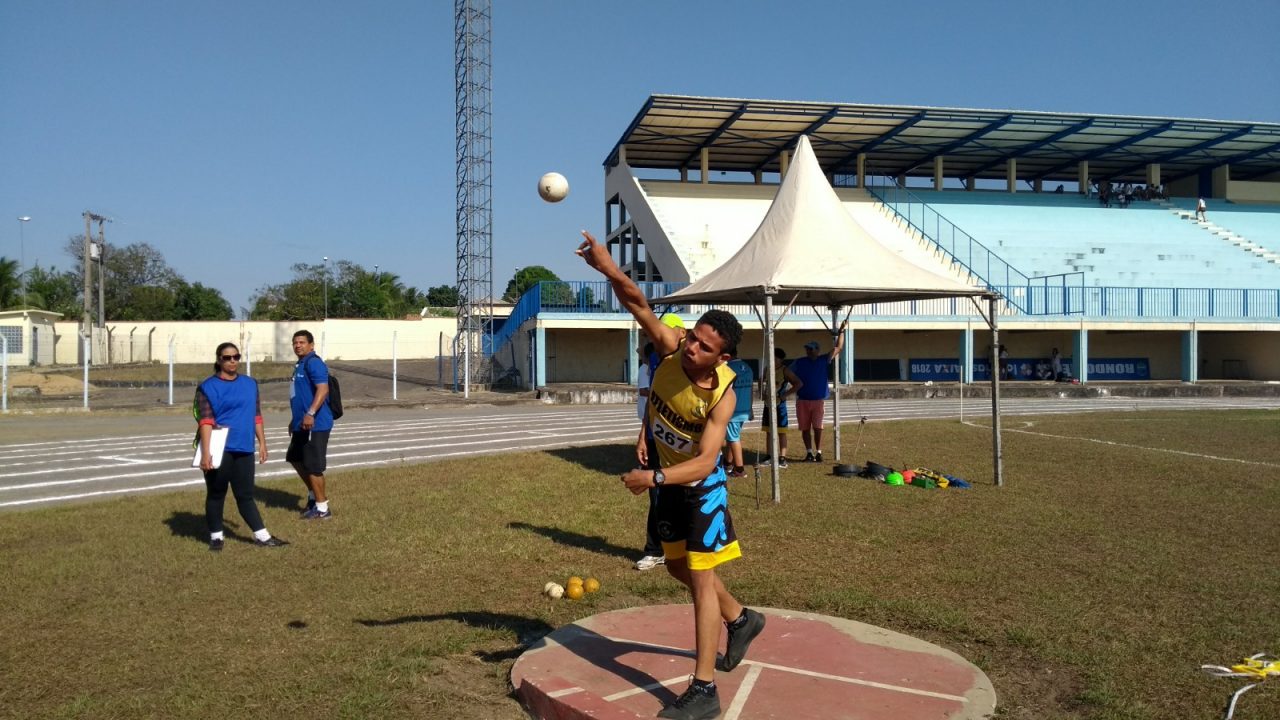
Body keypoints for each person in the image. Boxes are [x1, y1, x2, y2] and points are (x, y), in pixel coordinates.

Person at [577, 230, 765, 720]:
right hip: (665, 478)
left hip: (701, 488)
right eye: (692, 338)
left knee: (700, 577)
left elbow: (706, 462)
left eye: (703, 347)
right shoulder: (670, 348)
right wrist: (608, 268)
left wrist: (654, 479)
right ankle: (741, 618)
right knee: (679, 568)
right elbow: (636, 300)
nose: (690, 349)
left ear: (722, 358)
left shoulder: (722, 395)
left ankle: (703, 690)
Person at [195, 342, 286, 551]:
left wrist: (262, 442)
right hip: (221, 448)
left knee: (245, 495)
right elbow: (206, 422)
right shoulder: (208, 387)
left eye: (235, 356)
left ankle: (262, 536)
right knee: (216, 493)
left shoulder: (250, 383)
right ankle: (216, 537)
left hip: (245, 447)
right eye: (227, 357)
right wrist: (206, 453)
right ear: (219, 360)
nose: (232, 361)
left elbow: (256, 415)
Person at [288, 330, 334, 520]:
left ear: (311, 345)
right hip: (302, 423)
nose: (298, 345)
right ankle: (313, 496)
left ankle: (323, 508)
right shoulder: (300, 364)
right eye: (295, 342)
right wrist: (295, 419)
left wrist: (310, 413)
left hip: (316, 424)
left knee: (313, 466)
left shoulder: (314, 363)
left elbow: (323, 389)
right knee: (295, 457)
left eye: (302, 342)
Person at [788, 326, 846, 463]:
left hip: (818, 401)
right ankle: (809, 452)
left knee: (818, 427)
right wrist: (792, 383)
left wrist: (841, 332)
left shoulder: (823, 360)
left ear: (817, 350)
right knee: (805, 428)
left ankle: (818, 452)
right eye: (807, 349)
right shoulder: (800, 361)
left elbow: (839, 347)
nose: (808, 351)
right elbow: (787, 372)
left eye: (811, 349)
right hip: (802, 400)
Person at [634, 340, 665, 572]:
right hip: (656, 440)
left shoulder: (685, 363)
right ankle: (655, 550)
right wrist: (644, 435)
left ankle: (679, 548)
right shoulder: (655, 360)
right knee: (656, 497)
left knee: (681, 495)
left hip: (681, 446)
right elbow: (651, 401)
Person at [760, 347, 802, 468]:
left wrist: (785, 395)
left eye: (773, 357)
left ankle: (782, 458)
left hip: (779, 405)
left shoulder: (785, 370)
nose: (770, 360)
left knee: (781, 431)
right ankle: (769, 455)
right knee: (768, 430)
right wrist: (762, 392)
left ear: (779, 359)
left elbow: (798, 383)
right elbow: (761, 379)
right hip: (768, 404)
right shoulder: (767, 369)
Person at [722, 349, 754, 478]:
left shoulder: (728, 369)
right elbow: (751, 389)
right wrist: (750, 408)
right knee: (732, 436)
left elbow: (725, 392)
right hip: (744, 409)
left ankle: (739, 469)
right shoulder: (748, 368)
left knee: (734, 438)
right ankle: (727, 463)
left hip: (733, 410)